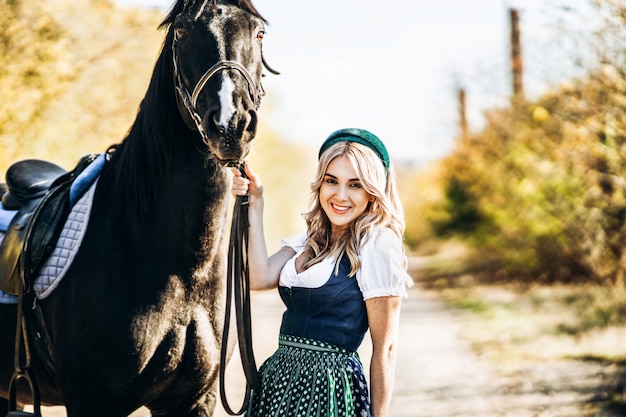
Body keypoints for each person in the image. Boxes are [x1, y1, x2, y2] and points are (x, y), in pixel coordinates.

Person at [230, 128, 413, 417]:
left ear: (372, 192)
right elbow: (258, 276)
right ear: (320, 184)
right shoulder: (308, 239)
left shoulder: (377, 243)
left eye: (355, 185)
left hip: (329, 391)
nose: (340, 195)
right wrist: (256, 204)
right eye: (332, 181)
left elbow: (385, 349)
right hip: (279, 383)